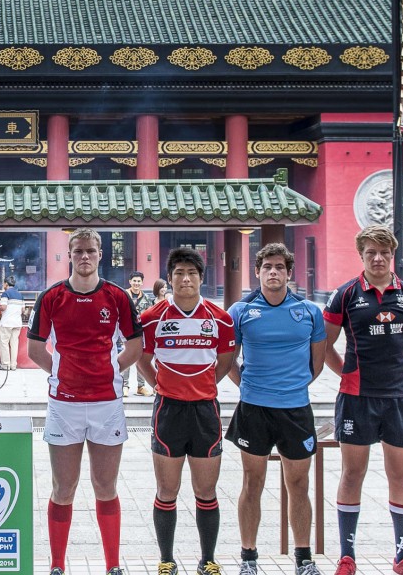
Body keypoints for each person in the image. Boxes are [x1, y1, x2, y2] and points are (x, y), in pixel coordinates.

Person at [323, 226, 403, 575]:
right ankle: (347, 557)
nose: (377, 258)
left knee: (401, 477)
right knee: (352, 474)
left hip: (400, 400)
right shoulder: (344, 295)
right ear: (361, 255)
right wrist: (347, 375)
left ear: (393, 255)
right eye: (371, 252)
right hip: (356, 399)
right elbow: (325, 346)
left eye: (384, 252)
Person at [27, 228, 142, 575]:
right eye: (78, 251)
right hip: (64, 405)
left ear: (100, 254)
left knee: (105, 487)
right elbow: (35, 349)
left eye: (91, 250)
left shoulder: (117, 297)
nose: (85, 256)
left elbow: (135, 346)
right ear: (69, 255)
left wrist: (109, 370)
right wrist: (63, 372)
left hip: (107, 404)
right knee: (63, 488)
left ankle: (113, 566)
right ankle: (57, 565)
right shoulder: (51, 297)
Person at [226, 243, 326, 575]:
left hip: (295, 410)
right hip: (254, 409)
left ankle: (304, 558)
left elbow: (317, 364)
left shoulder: (309, 311)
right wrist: (249, 387)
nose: (273, 272)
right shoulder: (240, 311)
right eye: (267, 266)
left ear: (288, 272)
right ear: (257, 271)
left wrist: (291, 387)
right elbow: (228, 359)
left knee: (298, 483)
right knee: (252, 481)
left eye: (280, 267)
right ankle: (248, 557)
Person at [137, 247, 236, 575]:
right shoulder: (152, 318)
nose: (185, 279)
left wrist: (202, 385)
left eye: (192, 273)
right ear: (169, 278)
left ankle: (208, 560)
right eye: (179, 273)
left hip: (205, 411)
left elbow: (225, 362)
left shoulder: (220, 319)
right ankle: (167, 559)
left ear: (201, 278)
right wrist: (161, 384)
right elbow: (142, 359)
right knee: (167, 490)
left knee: (206, 491)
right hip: (168, 410)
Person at [121, 271, 155, 397]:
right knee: (127, 357)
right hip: (126, 332)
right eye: (134, 281)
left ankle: (141, 386)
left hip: (141, 332)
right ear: (130, 282)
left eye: (139, 281)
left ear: (142, 282)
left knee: (141, 358)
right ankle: (124, 385)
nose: (136, 283)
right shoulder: (123, 295)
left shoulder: (147, 298)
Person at [0, 276, 25, 370]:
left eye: (4, 284)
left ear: (6, 284)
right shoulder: (20, 295)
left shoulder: (5, 293)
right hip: (17, 323)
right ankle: (13, 365)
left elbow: (3, 307)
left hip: (7, 322)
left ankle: (5, 365)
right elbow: (23, 310)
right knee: (14, 344)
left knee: (4, 343)